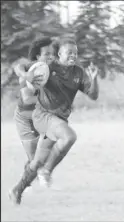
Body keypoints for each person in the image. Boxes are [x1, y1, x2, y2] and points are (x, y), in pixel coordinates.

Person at [9, 38, 100, 205]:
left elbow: (93, 96)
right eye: (69, 53)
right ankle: (47, 172)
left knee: (36, 162)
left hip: (57, 119)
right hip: (43, 116)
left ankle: (17, 190)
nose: (73, 56)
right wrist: (25, 74)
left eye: (75, 53)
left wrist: (94, 79)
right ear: (59, 54)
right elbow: (18, 67)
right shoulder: (48, 67)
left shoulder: (78, 73)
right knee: (69, 136)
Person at [13, 37, 57, 185]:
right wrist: (25, 75)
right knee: (33, 158)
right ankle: (28, 184)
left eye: (52, 53)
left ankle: (41, 179)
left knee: (44, 152)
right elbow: (27, 100)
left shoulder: (53, 71)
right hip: (24, 118)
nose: (51, 57)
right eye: (47, 54)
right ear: (38, 56)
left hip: (40, 116)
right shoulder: (31, 70)